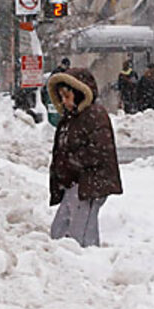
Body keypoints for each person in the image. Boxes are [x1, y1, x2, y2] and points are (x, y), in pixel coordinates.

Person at [47, 68, 122, 247]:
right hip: (75, 184)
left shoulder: (94, 115)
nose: (64, 102)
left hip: (90, 184)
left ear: (80, 94)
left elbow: (99, 150)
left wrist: (72, 162)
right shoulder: (70, 119)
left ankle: (86, 265)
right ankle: (69, 260)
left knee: (79, 237)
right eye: (61, 97)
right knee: (59, 229)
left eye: (67, 96)